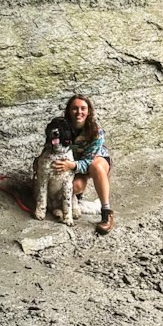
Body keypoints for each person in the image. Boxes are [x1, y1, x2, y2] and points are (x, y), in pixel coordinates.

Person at [52, 92, 113, 233]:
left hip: (94, 161)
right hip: (73, 164)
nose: (79, 112)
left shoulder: (95, 131)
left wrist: (71, 165)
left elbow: (88, 161)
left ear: (88, 111)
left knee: (96, 166)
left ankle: (106, 211)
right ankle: (75, 198)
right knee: (75, 187)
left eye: (83, 108)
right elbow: (52, 145)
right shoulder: (62, 126)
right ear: (69, 110)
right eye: (75, 108)